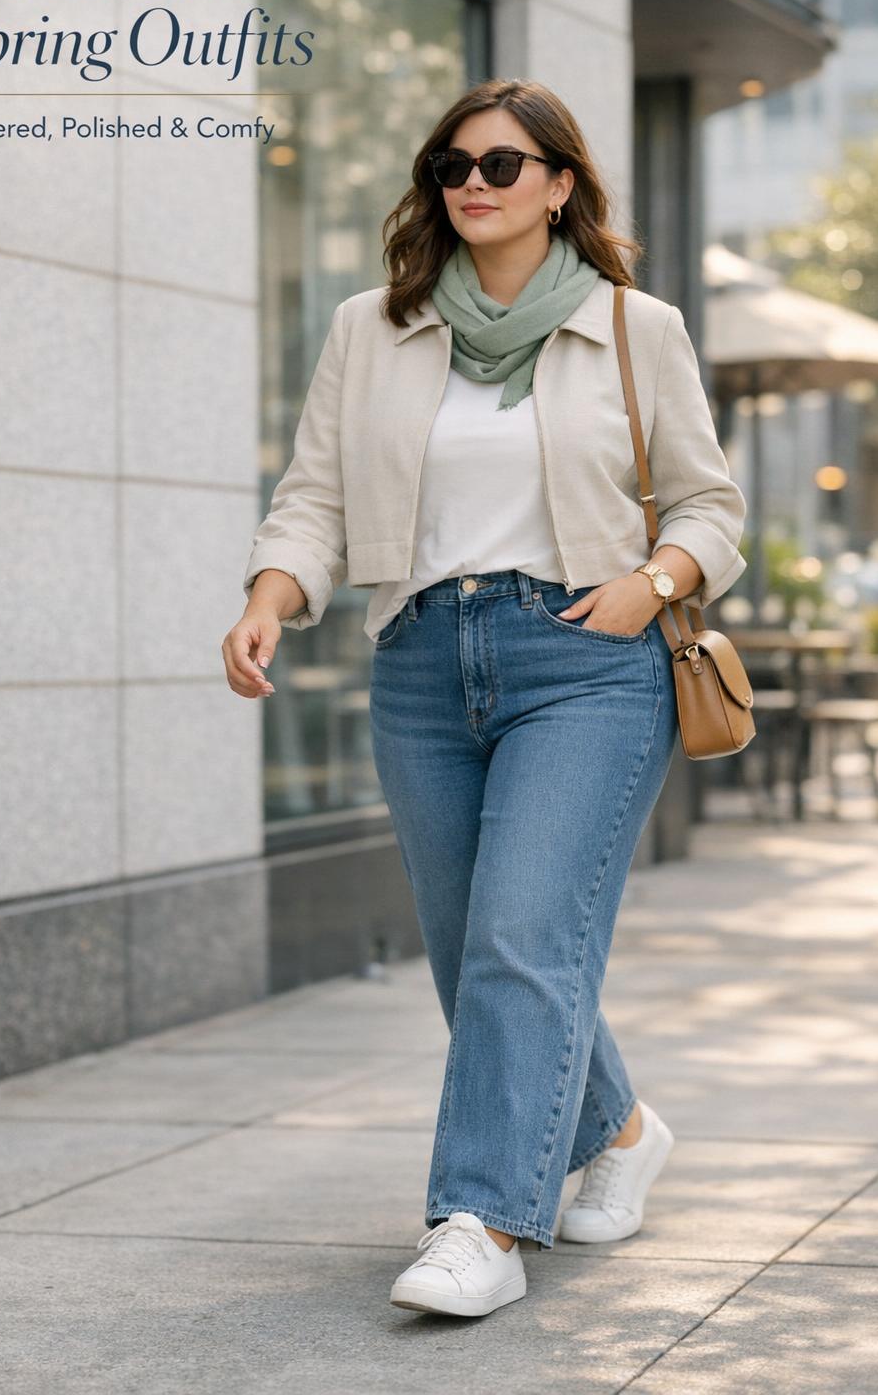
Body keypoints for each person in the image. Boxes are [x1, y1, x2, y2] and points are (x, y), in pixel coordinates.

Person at [223, 78, 747, 1319]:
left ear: (560, 185)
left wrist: (648, 583)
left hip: (585, 658)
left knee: (519, 938)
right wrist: (271, 591)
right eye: (453, 162)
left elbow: (712, 506)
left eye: (504, 165)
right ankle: (614, 1132)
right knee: (477, 956)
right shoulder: (372, 328)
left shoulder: (633, 327)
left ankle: (483, 1220)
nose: (473, 181)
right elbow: (316, 497)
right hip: (418, 658)